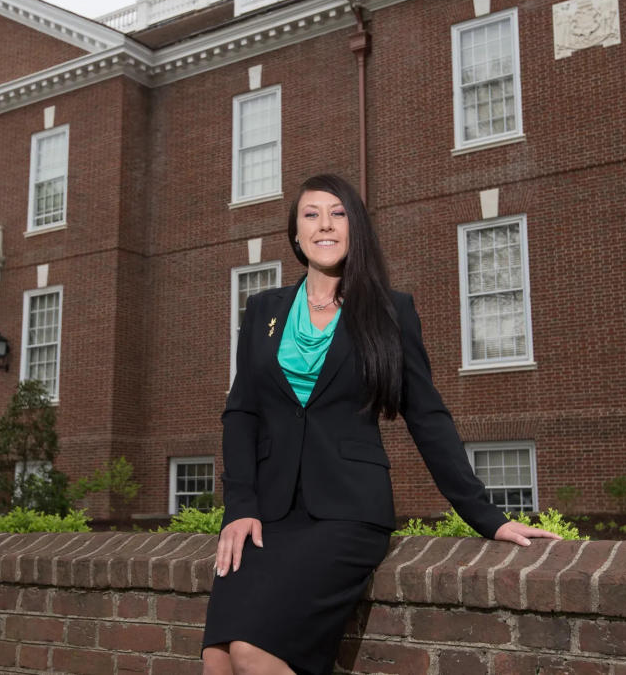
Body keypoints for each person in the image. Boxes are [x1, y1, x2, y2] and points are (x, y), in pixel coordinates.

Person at [201, 174, 561, 675]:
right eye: (311, 214)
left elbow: (427, 417)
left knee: (251, 654)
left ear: (355, 229)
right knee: (217, 659)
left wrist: (488, 518)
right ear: (296, 233)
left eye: (338, 213)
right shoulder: (263, 309)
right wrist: (239, 506)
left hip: (346, 514)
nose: (324, 224)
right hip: (266, 516)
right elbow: (241, 413)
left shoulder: (391, 311)